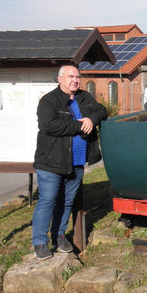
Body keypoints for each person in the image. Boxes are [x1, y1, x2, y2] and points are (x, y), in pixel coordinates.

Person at [32, 65, 108, 260]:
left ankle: (59, 236)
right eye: (70, 76)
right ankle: (40, 242)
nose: (75, 80)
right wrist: (82, 125)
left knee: (66, 202)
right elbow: (49, 125)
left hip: (76, 162)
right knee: (48, 201)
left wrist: (91, 118)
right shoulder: (49, 101)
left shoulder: (84, 97)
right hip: (52, 161)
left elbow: (102, 111)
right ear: (60, 79)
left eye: (77, 77)